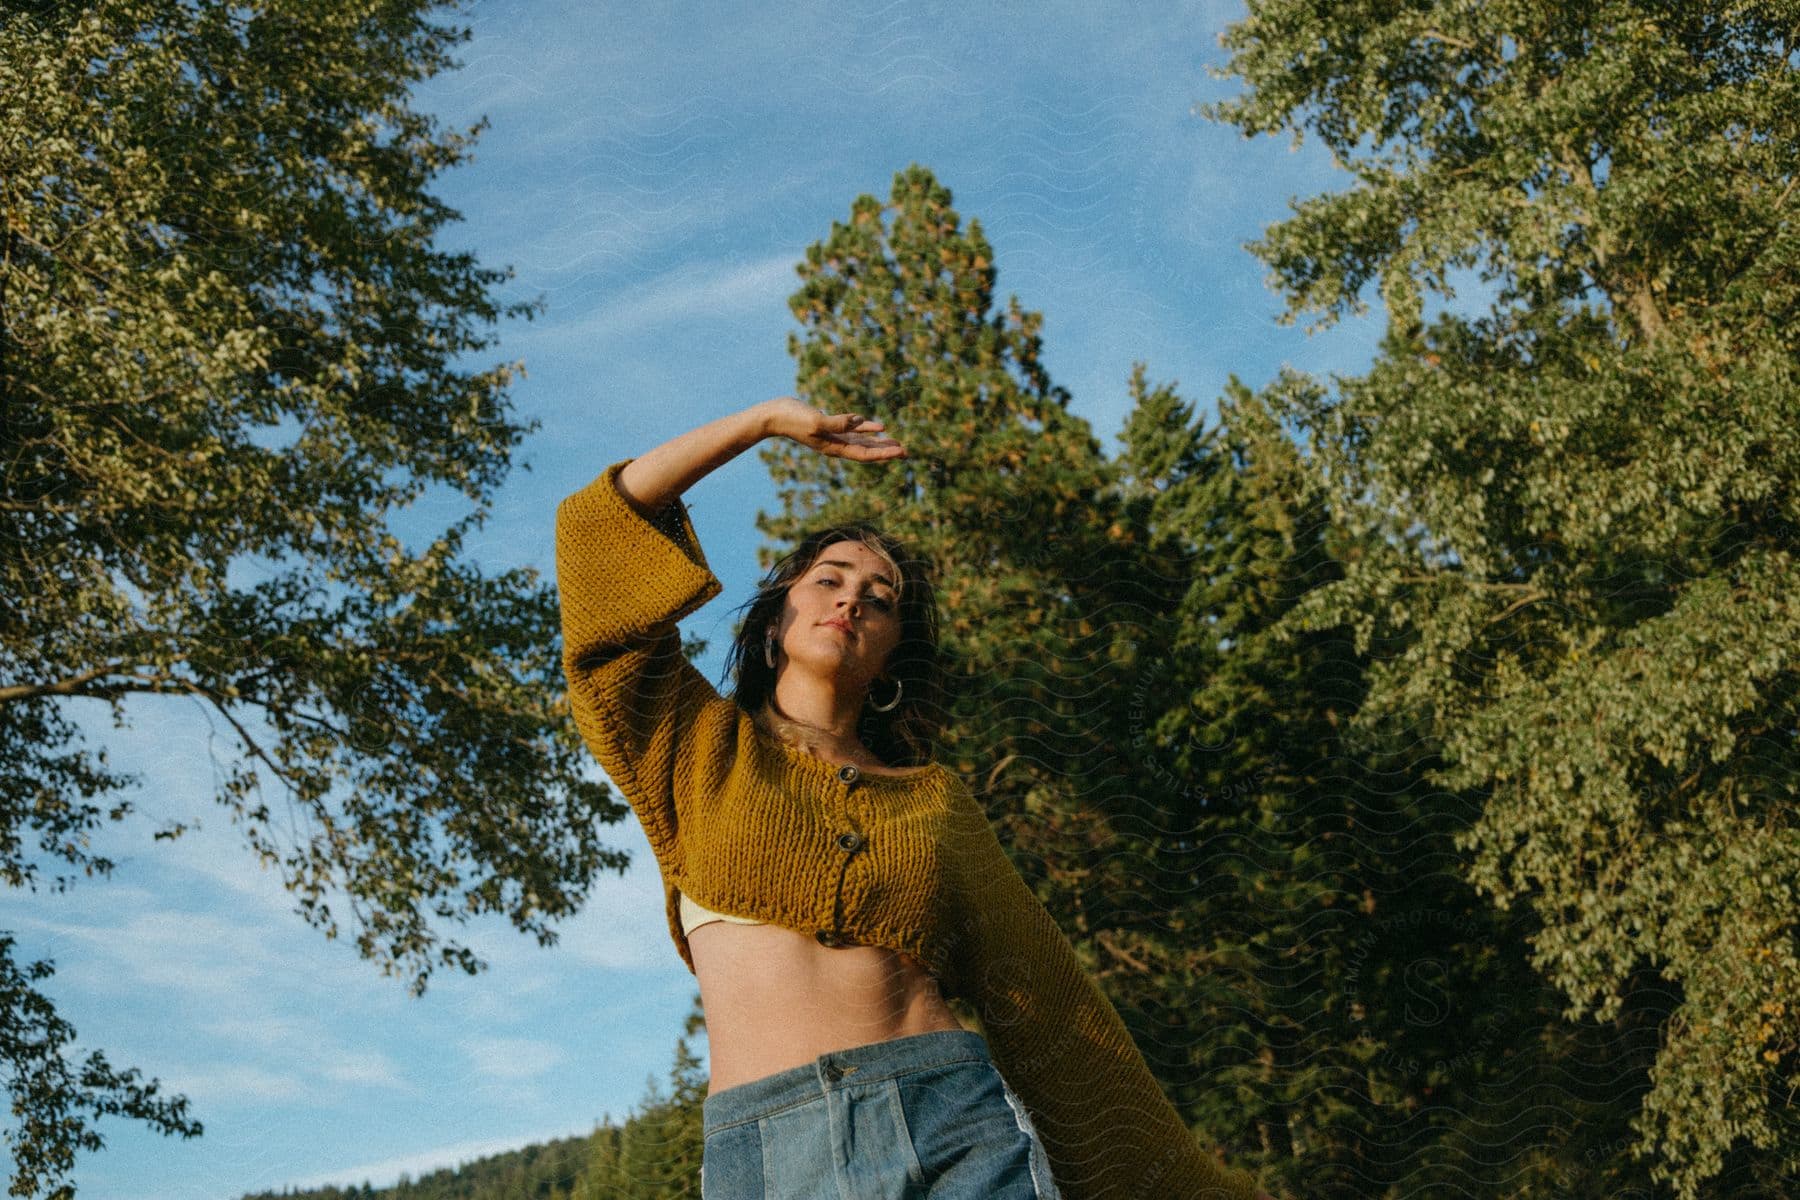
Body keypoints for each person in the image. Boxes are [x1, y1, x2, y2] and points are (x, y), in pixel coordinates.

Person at [554, 396, 1272, 1199]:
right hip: (768, 1149)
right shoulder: (692, 746)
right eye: (829, 578)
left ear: (893, 657)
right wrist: (760, 424)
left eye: (880, 597)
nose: (852, 598)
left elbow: (1049, 1004)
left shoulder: (931, 802)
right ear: (773, 620)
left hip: (954, 1120)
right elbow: (595, 535)